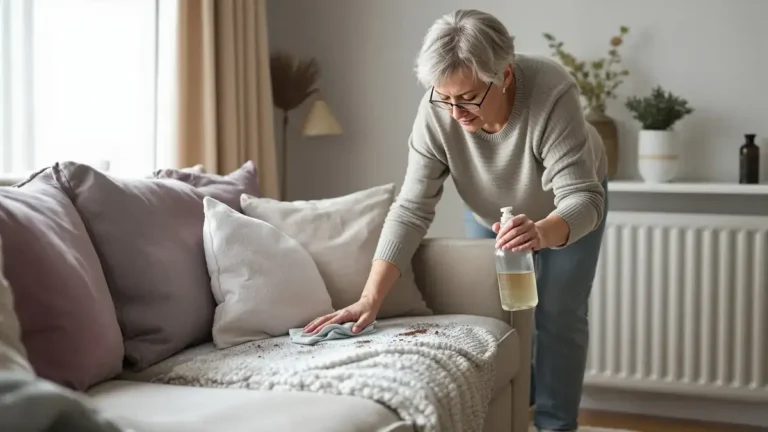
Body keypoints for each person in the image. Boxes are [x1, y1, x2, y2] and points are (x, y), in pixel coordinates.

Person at [303, 9, 607, 432]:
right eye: (443, 97)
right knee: (501, 313)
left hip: (568, 209)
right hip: (490, 208)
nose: (455, 112)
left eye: (467, 97)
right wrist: (370, 297)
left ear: (504, 74)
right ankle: (518, 409)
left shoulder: (551, 92)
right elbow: (411, 209)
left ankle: (556, 424)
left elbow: (583, 198)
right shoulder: (439, 110)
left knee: (558, 312)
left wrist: (540, 231)